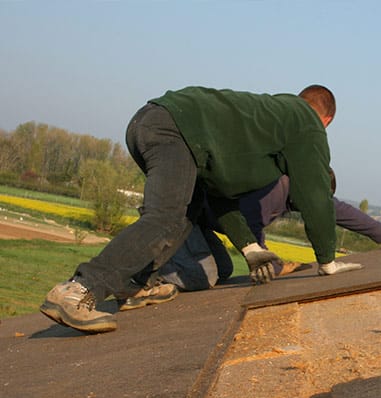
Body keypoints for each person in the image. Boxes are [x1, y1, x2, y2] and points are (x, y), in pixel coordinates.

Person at [41, 85, 361, 334]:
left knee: (184, 214)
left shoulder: (259, 124)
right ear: (327, 120)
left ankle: (133, 285)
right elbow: (316, 195)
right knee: (165, 217)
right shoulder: (306, 123)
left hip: (151, 122)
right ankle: (78, 291)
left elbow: (219, 193)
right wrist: (327, 261)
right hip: (173, 129)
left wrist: (250, 248)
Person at [149, 173, 381, 294]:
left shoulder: (296, 189)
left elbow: (339, 211)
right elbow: (249, 230)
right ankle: (146, 273)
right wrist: (276, 266)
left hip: (201, 224)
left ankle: (164, 265)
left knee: (223, 270)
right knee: (204, 277)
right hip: (179, 218)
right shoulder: (276, 188)